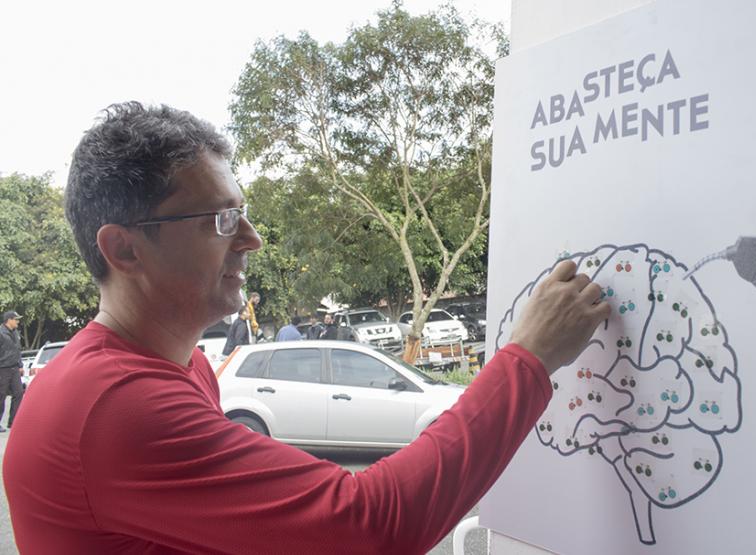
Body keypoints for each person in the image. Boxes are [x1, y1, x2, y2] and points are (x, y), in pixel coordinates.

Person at [3, 102, 612, 553]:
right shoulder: (112, 405)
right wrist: (527, 358)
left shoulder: (178, 366)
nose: (251, 239)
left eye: (242, 213)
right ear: (125, 249)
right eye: (219, 220)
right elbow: (369, 523)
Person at [0, 311, 24, 433]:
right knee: (1, 395)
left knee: (19, 393)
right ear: (9, 320)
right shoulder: (1, 333)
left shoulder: (15, 333)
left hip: (14, 368)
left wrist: (20, 365)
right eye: (16, 319)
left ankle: (13, 421)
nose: (17, 322)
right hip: (2, 368)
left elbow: (17, 350)